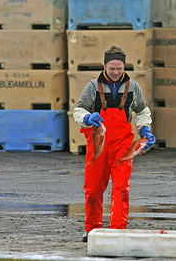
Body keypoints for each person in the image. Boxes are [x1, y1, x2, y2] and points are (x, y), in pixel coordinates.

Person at [73, 45, 156, 242]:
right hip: (97, 148)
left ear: (124, 67)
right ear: (105, 66)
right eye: (112, 68)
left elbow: (142, 111)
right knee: (93, 190)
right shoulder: (93, 86)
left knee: (121, 189)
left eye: (119, 68)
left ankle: (118, 230)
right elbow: (78, 110)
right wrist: (87, 118)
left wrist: (144, 129)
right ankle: (92, 230)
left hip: (123, 147)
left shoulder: (133, 87)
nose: (116, 72)